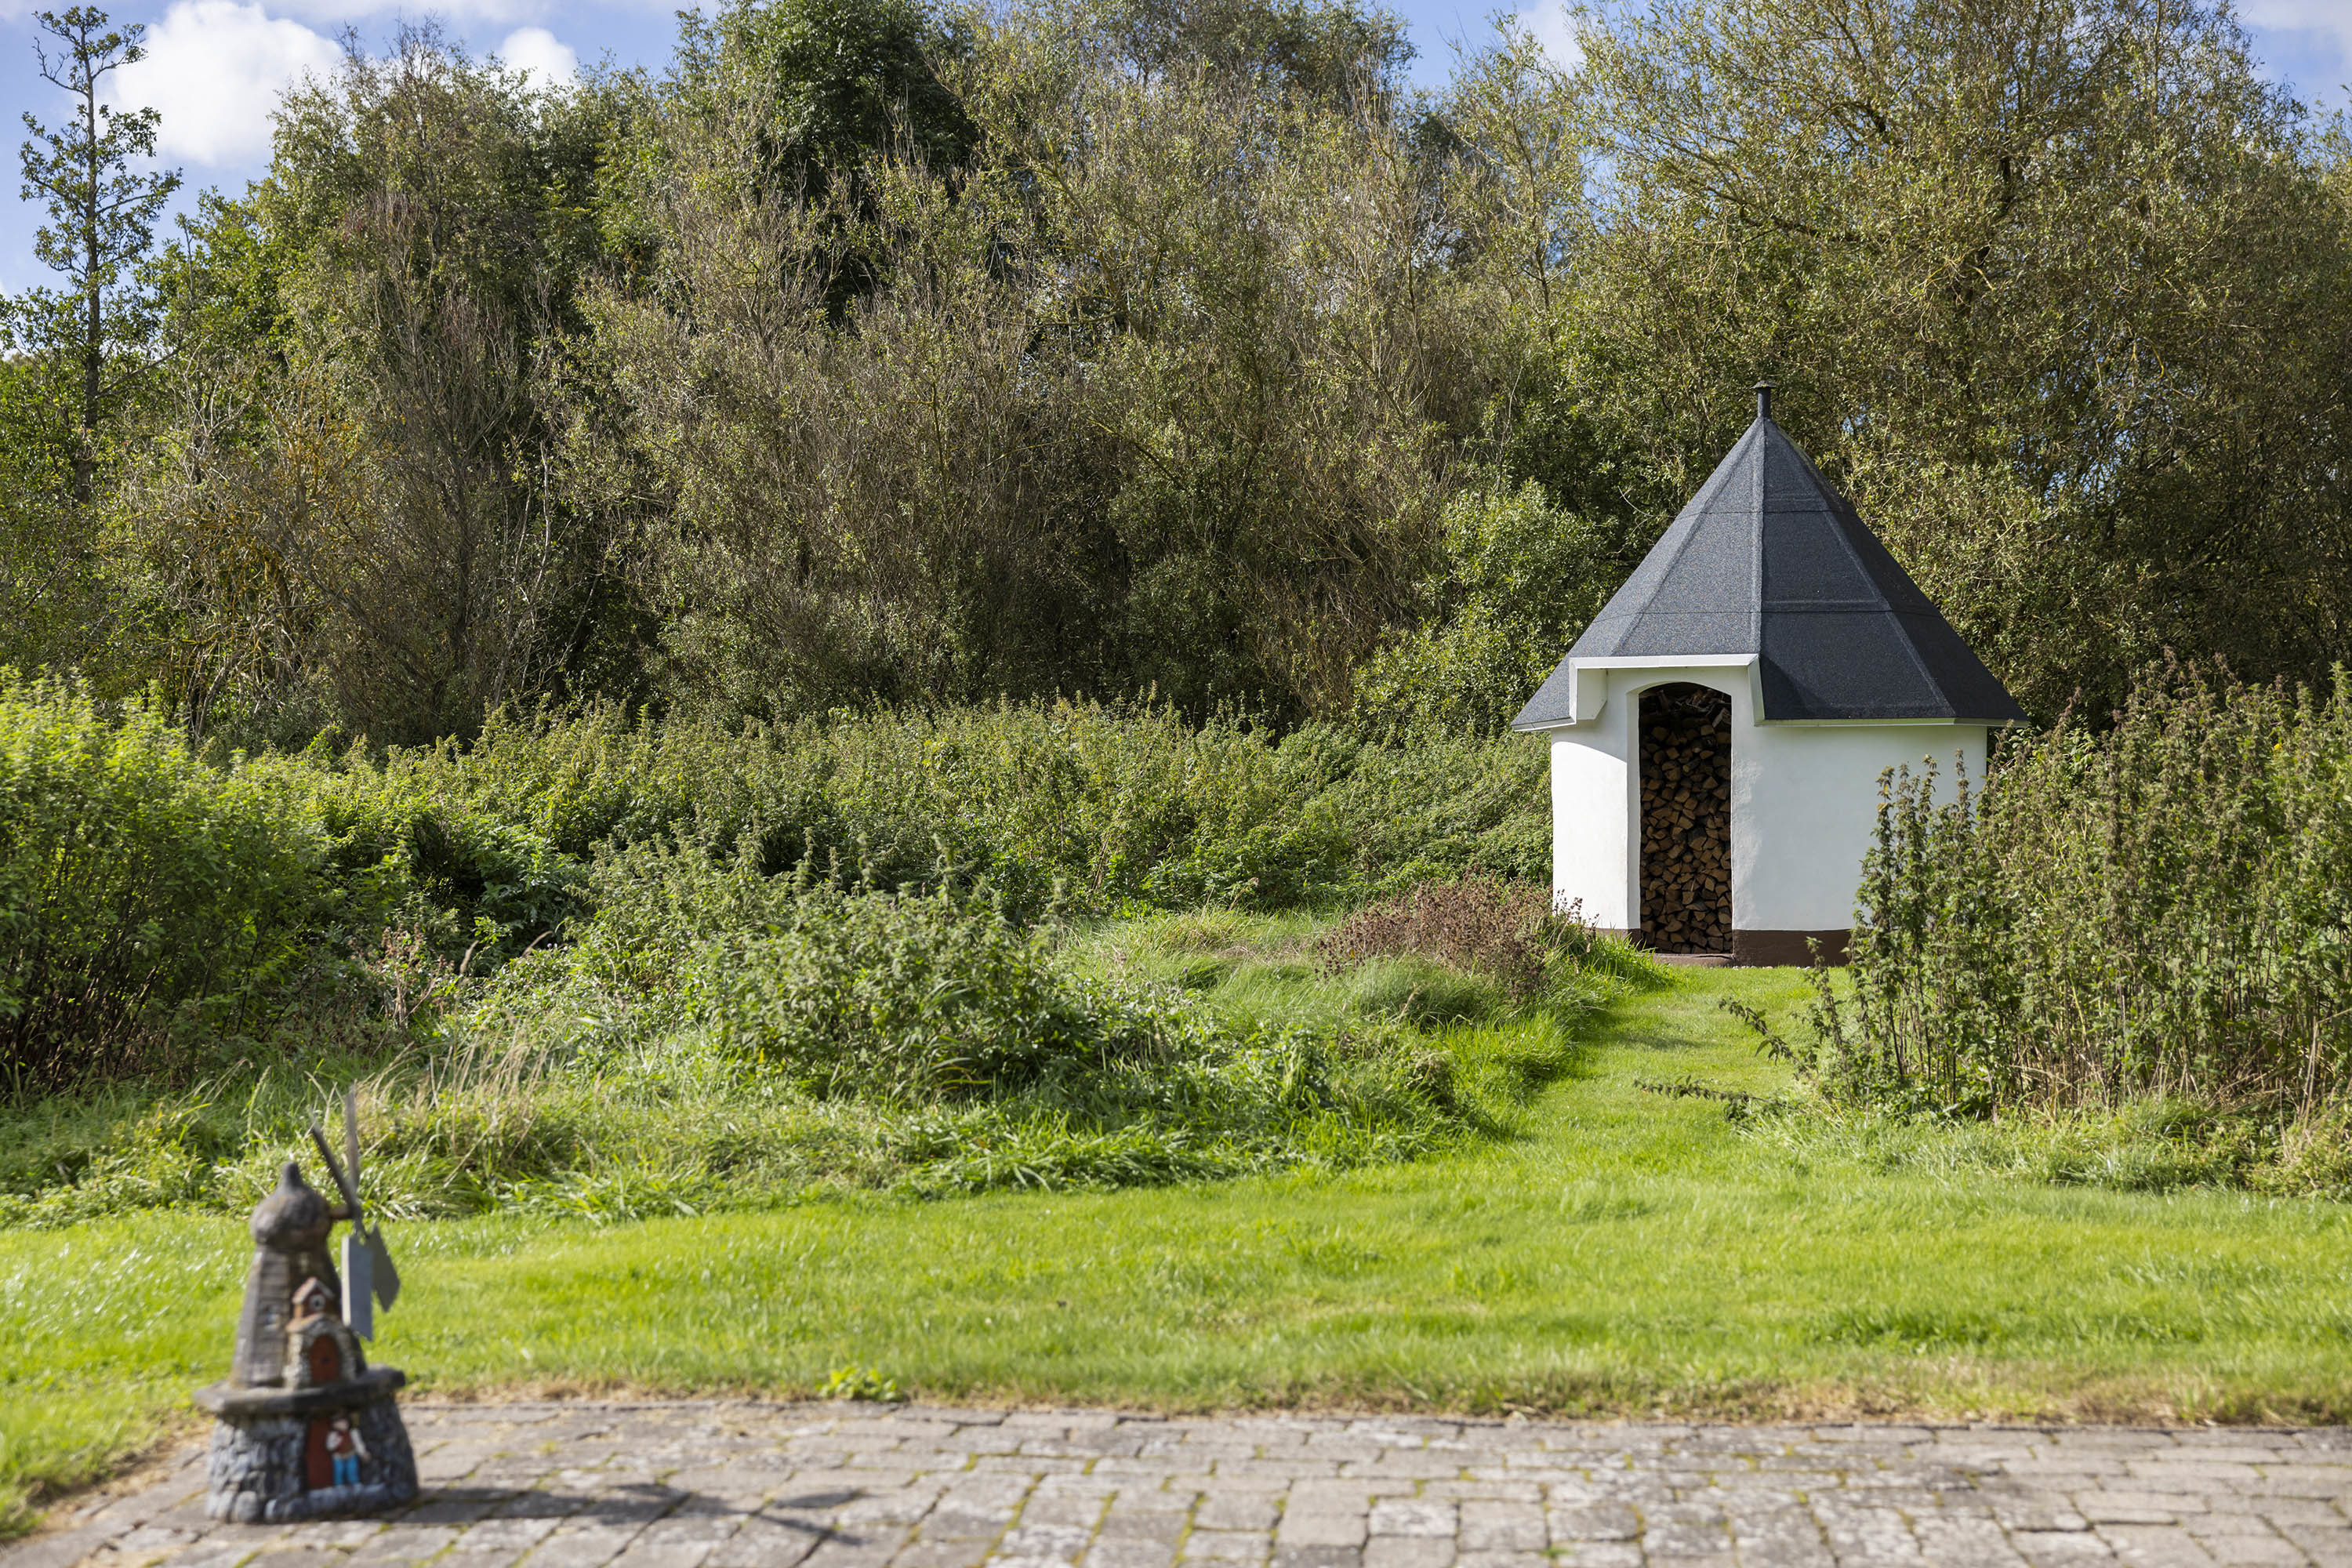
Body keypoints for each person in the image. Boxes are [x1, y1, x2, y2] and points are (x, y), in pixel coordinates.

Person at [325, 1414, 369, 1486]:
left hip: (351, 1454)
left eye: (345, 1421)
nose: (344, 1423)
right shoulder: (333, 1435)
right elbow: (329, 1447)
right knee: (339, 1471)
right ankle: (339, 1485)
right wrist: (336, 1442)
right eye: (341, 1422)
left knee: (352, 1469)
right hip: (338, 1456)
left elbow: (358, 1443)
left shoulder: (353, 1432)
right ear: (334, 1425)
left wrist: (363, 1453)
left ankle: (355, 1483)